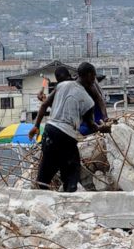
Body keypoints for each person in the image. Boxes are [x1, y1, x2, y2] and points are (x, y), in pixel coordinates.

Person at [31, 62, 110, 192]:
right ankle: (68, 201)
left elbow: (44, 105)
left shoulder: (61, 86)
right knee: (71, 174)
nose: (94, 79)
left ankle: (39, 202)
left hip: (50, 131)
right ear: (89, 75)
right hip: (67, 136)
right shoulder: (88, 101)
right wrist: (104, 128)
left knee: (44, 175)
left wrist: (36, 126)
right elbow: (92, 125)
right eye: (94, 76)